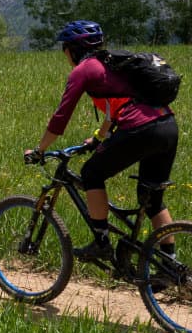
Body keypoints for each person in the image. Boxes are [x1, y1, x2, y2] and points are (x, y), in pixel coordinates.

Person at [26, 19, 176, 264]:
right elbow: (115, 108)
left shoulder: (83, 70)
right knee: (152, 200)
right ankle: (171, 266)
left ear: (72, 49)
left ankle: (101, 242)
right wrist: (97, 138)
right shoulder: (113, 65)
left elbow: (60, 117)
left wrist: (39, 150)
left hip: (140, 128)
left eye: (64, 48)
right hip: (167, 125)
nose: (64, 54)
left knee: (91, 174)